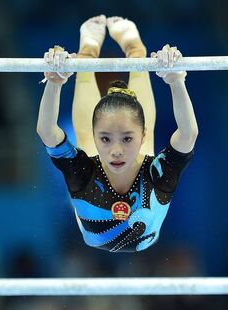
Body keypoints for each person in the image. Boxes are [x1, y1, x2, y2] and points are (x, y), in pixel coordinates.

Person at [37, 15, 198, 253]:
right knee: (95, 141)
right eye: (106, 139)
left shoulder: (150, 173)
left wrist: (177, 81)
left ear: (140, 136)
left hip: (113, 172)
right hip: (119, 172)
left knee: (102, 143)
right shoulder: (156, 175)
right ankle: (113, 51)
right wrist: (54, 82)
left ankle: (104, 51)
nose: (116, 150)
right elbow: (46, 131)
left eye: (126, 139)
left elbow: (188, 133)